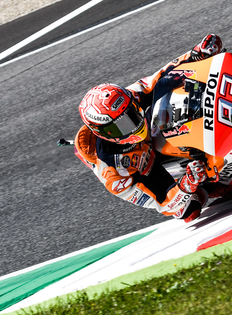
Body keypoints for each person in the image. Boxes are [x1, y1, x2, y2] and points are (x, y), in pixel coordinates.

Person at [75, 34, 223, 222]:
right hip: (147, 170)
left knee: (178, 87)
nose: (132, 125)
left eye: (131, 114)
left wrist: (196, 53)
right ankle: (214, 183)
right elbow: (161, 203)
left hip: (152, 132)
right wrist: (186, 186)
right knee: (188, 210)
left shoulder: (125, 98)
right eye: (121, 126)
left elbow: (161, 76)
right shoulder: (113, 174)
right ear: (103, 133)